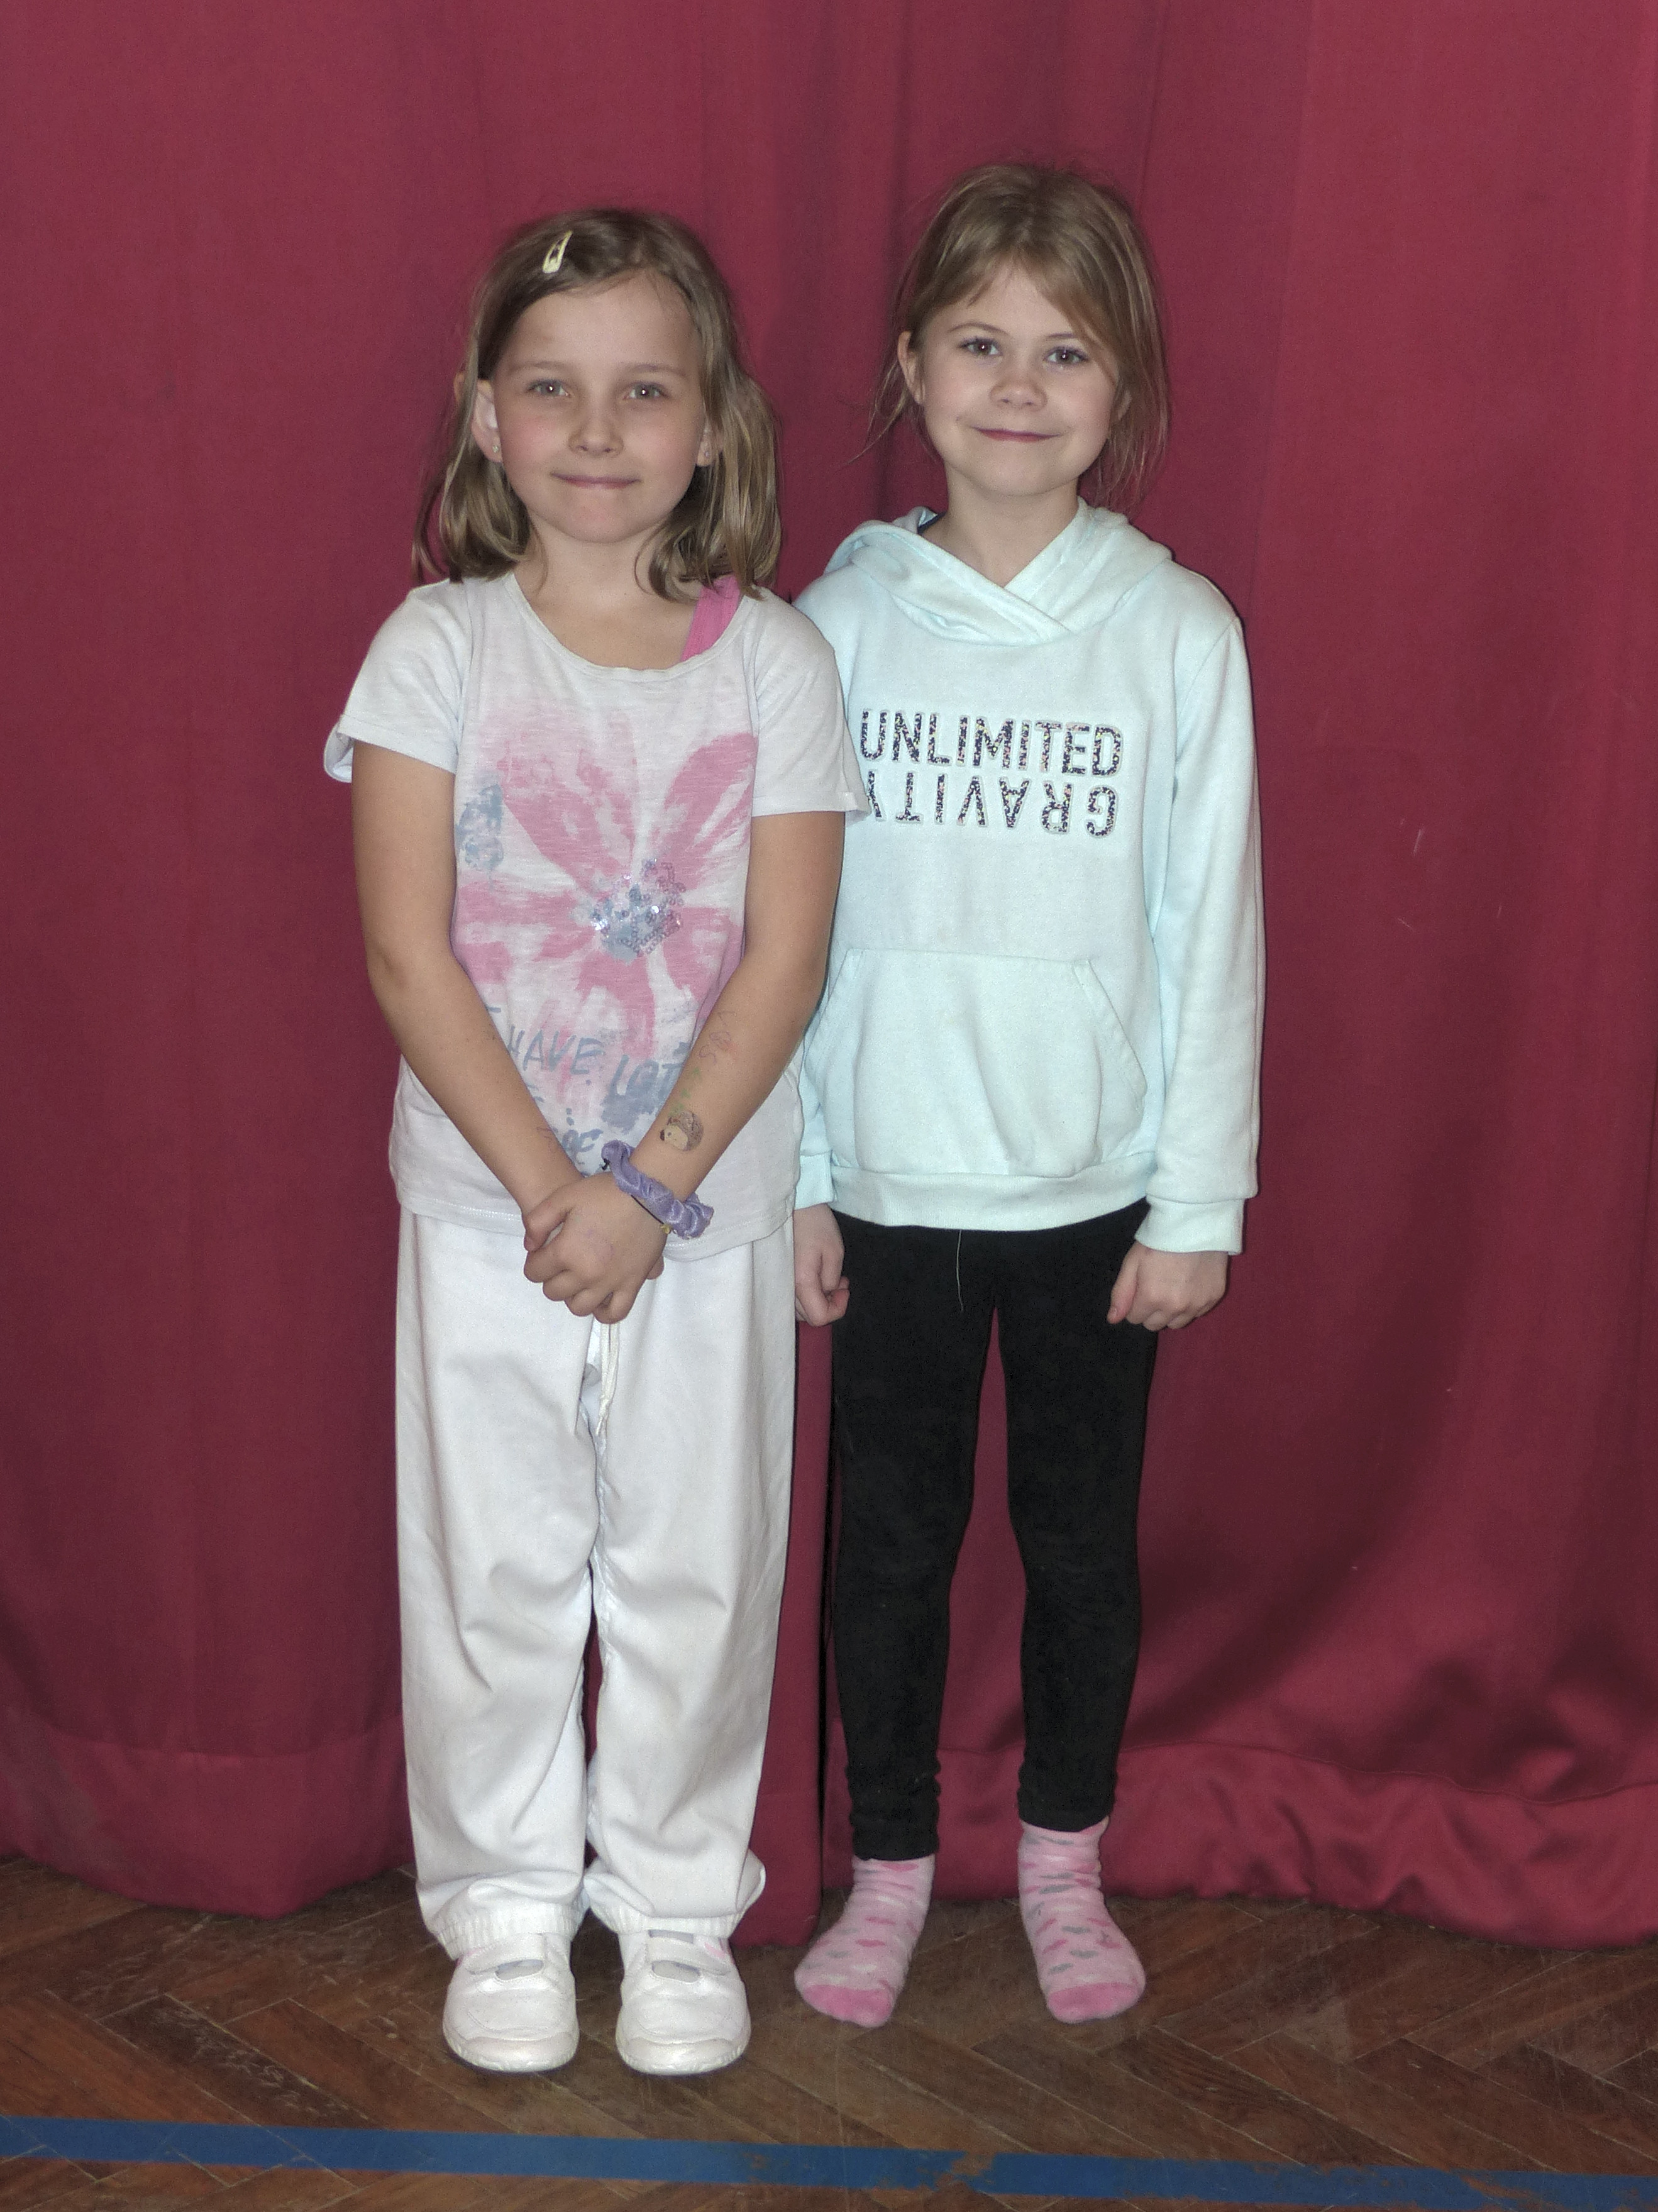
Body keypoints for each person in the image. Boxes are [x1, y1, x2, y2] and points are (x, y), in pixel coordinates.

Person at [326, 209, 862, 2079]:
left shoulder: (777, 663)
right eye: (551, 390)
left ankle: (675, 1906)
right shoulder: (437, 649)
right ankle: (503, 1909)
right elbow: (409, 952)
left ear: (712, 426)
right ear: (488, 418)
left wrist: (648, 1190)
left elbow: (785, 955)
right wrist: (553, 1188)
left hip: (699, 1219)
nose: (598, 430)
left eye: (645, 391)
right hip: (489, 1211)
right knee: (494, 1567)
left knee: (698, 1566)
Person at [790, 164, 1263, 2030]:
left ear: (1122, 384)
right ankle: (893, 1870)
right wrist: (799, 1172)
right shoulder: (834, 627)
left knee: (1078, 1549)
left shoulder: (1176, 633)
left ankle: (1065, 1857)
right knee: (889, 1554)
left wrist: (1196, 1202)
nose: (1018, 385)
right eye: (980, 342)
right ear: (912, 363)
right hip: (886, 1191)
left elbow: (1212, 929)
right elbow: (783, 933)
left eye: (1066, 352)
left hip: (1094, 1202)